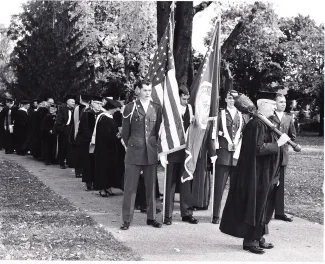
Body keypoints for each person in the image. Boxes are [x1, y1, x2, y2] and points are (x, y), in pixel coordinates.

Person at [219, 93, 291, 255]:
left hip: (268, 173)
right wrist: (277, 144)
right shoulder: (256, 125)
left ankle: (258, 237)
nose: (274, 107)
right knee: (256, 205)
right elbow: (258, 149)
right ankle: (250, 241)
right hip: (257, 174)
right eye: (272, 104)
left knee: (264, 206)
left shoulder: (267, 123)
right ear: (263, 106)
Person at [120, 80, 163, 230]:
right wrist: (132, 145)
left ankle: (151, 218)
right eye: (144, 90)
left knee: (151, 187)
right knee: (130, 187)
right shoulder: (130, 108)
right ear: (138, 90)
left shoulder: (156, 108)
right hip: (134, 151)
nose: (147, 93)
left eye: (149, 90)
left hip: (150, 152)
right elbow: (125, 133)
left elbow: (157, 131)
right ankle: (126, 220)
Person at [160, 86, 198, 225]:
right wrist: (163, 153)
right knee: (170, 182)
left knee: (186, 180)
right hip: (172, 150)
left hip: (185, 151)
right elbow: (164, 129)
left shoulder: (189, 108)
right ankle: (167, 215)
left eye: (187, 99)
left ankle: (187, 213)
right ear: (178, 97)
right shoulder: (170, 109)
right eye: (183, 98)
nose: (186, 101)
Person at [211, 90, 247, 224]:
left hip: (236, 157)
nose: (232, 101)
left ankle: (233, 216)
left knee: (236, 189)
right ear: (225, 99)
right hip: (223, 155)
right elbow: (213, 136)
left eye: (235, 99)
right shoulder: (220, 115)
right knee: (219, 188)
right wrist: (213, 153)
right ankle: (215, 215)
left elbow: (243, 136)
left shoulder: (242, 116)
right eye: (230, 98)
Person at [269, 93, 296, 222]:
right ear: (275, 104)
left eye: (284, 102)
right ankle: (266, 210)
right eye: (280, 102)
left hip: (283, 155)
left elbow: (293, 135)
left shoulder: (288, 118)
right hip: (271, 154)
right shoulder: (269, 117)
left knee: (281, 185)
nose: (283, 104)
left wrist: (288, 140)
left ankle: (279, 212)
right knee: (269, 183)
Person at [93, 98, 124, 196]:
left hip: (110, 148)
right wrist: (117, 136)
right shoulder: (104, 118)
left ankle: (108, 187)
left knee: (109, 168)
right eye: (115, 108)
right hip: (104, 148)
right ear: (111, 108)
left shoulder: (109, 117)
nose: (116, 110)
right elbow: (105, 135)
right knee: (103, 168)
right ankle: (102, 188)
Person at [76, 95, 103, 191]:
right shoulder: (87, 114)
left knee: (96, 163)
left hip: (97, 142)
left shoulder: (101, 114)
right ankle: (89, 183)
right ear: (92, 103)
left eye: (100, 103)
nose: (99, 105)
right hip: (87, 142)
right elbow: (85, 130)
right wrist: (93, 140)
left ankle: (96, 182)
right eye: (97, 103)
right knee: (88, 163)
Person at [69, 93, 91, 177]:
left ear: (81, 99)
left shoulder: (77, 108)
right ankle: (81, 171)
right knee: (84, 155)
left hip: (78, 134)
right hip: (86, 135)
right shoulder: (88, 109)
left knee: (78, 154)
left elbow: (74, 122)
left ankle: (78, 171)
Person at [53, 95, 75, 169]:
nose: (74, 103)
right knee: (62, 146)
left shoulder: (74, 109)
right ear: (67, 102)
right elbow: (58, 120)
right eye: (72, 102)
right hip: (64, 129)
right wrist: (62, 129)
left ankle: (69, 162)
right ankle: (61, 162)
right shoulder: (62, 109)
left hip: (71, 129)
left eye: (74, 102)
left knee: (70, 146)